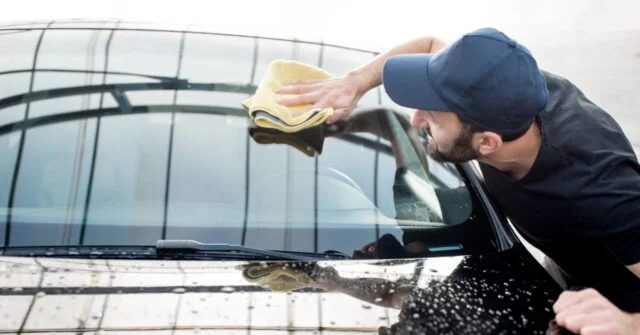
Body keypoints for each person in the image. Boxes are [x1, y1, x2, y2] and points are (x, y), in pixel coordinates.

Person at [276, 27, 640, 334]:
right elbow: (430, 46)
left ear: (487, 143)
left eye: (432, 115)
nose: (416, 119)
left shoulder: (598, 190)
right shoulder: (505, 89)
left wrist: (627, 323)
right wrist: (356, 83)